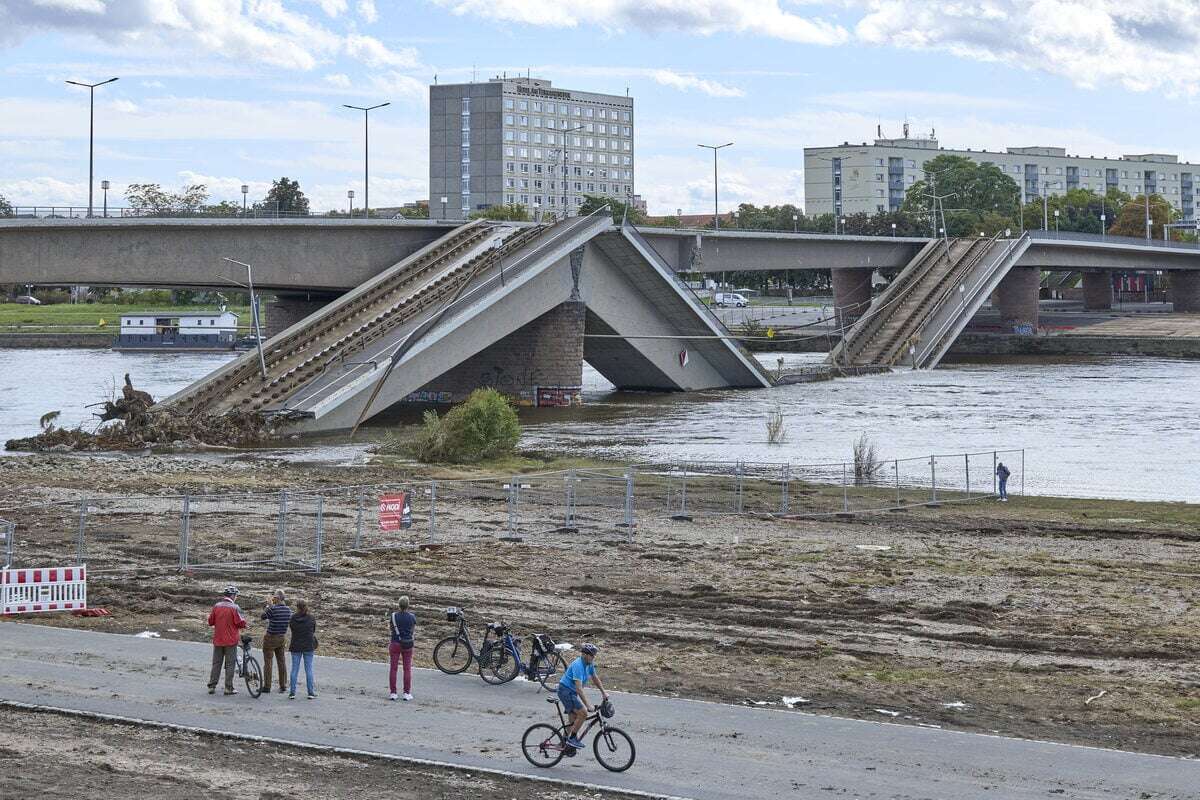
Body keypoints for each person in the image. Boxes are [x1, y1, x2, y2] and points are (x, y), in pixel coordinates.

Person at [557, 643, 607, 750]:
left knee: (573, 719)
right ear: (584, 654)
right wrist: (588, 705)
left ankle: (563, 742)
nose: (593, 657)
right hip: (565, 691)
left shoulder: (589, 664)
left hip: (571, 692)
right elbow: (579, 689)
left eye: (594, 655)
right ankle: (573, 739)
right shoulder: (578, 665)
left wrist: (603, 692)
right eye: (592, 655)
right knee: (583, 713)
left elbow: (595, 678)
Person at [206, 585, 247, 695]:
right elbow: (241, 623)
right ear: (233, 596)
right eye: (236, 595)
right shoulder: (235, 607)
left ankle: (212, 686)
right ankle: (228, 687)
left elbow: (210, 622)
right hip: (231, 641)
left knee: (216, 663)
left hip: (218, 639)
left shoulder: (216, 606)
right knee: (230, 664)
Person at [261, 589, 292, 694]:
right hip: (281, 637)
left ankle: (267, 686)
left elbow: (263, 616)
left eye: (274, 597)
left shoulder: (273, 609)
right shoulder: (288, 610)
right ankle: (283, 685)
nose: (273, 598)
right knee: (282, 661)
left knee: (268, 662)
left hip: (271, 638)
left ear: (278, 598)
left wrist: (268, 606)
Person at [387, 595, 416, 702]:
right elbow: (412, 631)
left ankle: (393, 693)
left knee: (393, 668)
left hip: (395, 643)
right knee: (407, 669)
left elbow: (391, 629)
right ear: (408, 605)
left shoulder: (394, 616)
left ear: (399, 605)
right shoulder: (412, 617)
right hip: (407, 645)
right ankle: (406, 693)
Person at [287, 599, 317, 699]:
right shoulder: (311, 618)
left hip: (296, 645)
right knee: (309, 669)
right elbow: (313, 630)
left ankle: (292, 692)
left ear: (297, 607)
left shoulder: (293, 618)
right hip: (308, 646)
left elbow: (292, 629)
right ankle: (310, 692)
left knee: (294, 669)